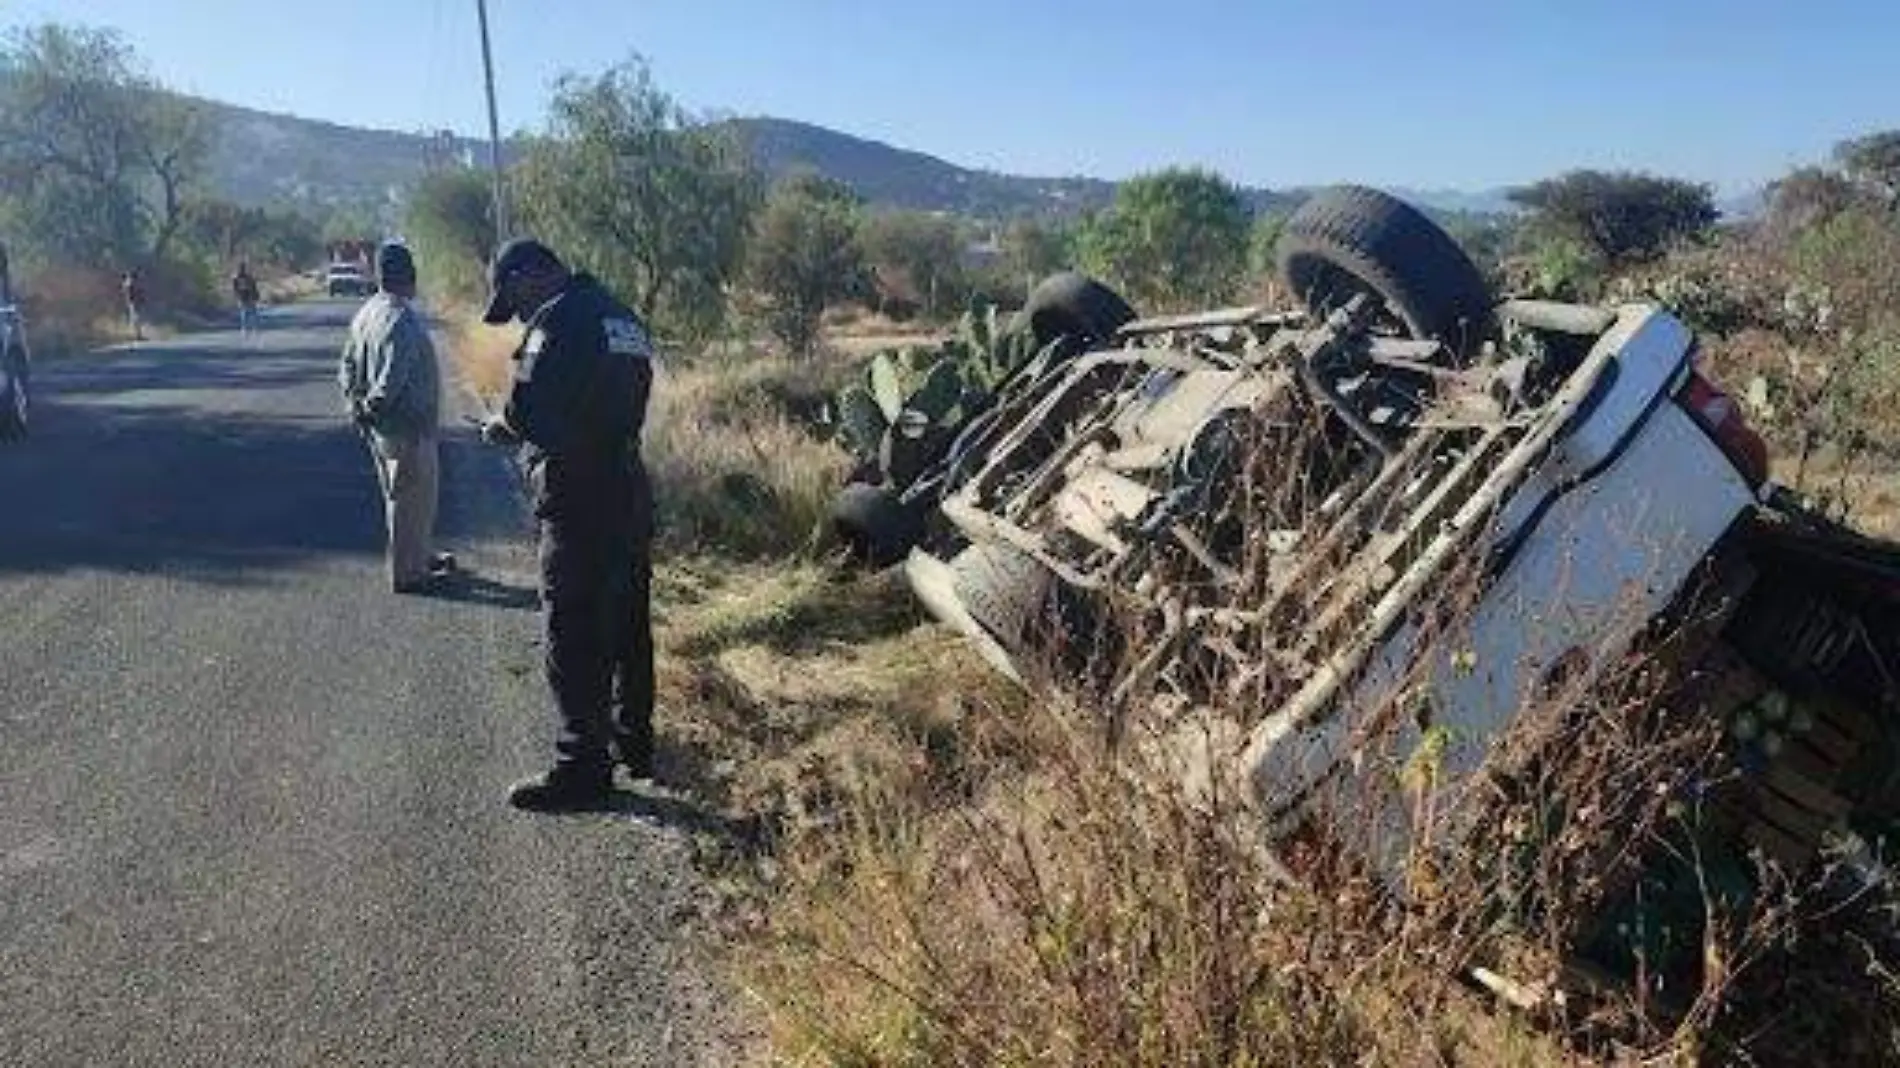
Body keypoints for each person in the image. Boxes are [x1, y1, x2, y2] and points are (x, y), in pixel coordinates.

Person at [476, 238, 657, 812]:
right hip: (626, 484)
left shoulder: (554, 323)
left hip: (577, 495)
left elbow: (527, 409)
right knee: (627, 619)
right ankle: (635, 743)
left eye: (516, 300)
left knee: (573, 628)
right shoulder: (620, 314)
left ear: (534, 274)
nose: (519, 316)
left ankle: (582, 766)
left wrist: (502, 426)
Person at [337, 242, 455, 593]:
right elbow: (391, 380)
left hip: (382, 429)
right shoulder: (400, 319)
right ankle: (408, 573)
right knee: (409, 501)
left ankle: (419, 555)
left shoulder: (367, 312)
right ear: (410, 277)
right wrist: (371, 406)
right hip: (406, 428)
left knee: (408, 497)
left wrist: (355, 406)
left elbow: (346, 365)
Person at [232, 262, 261, 336]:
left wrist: (256, 296)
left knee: (250, 313)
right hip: (243, 297)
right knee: (246, 313)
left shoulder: (248, 277)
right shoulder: (237, 278)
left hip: (248, 297)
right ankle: (246, 329)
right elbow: (235, 289)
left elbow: (254, 287)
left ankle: (252, 328)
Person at [121, 269, 145, 341]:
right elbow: (134, 294)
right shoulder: (130, 283)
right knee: (135, 319)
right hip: (133, 303)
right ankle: (136, 335)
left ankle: (136, 335)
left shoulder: (126, 283)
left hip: (131, 303)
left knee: (133, 319)